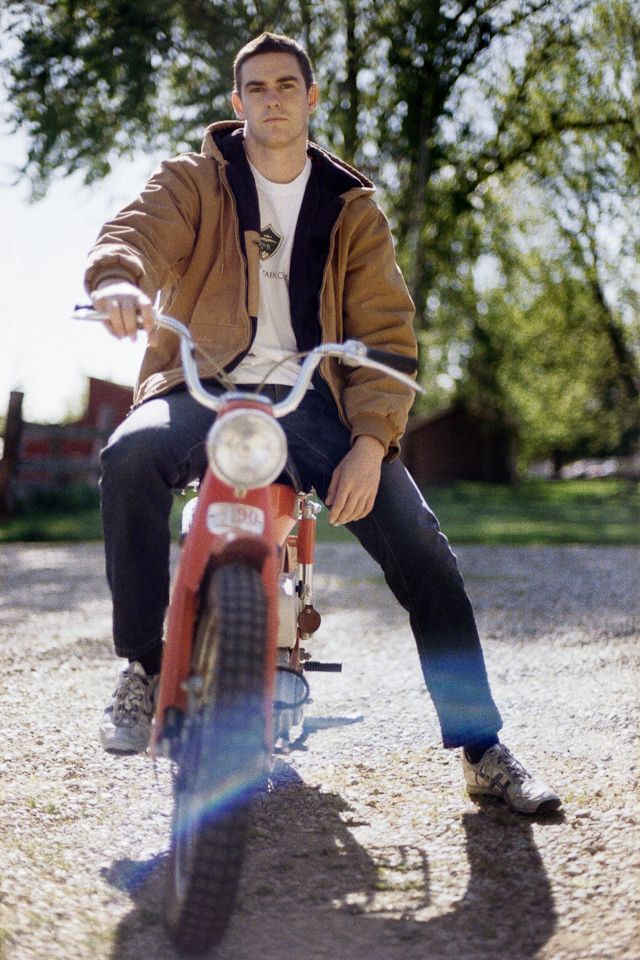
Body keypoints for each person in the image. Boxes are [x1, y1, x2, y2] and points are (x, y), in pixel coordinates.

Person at [86, 32, 560, 815]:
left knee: (423, 547)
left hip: (313, 403)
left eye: (286, 86)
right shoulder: (194, 180)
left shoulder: (352, 209)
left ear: (310, 98)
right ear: (237, 103)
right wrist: (117, 281)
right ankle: (142, 667)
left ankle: (483, 750)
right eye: (256, 88)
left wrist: (371, 443)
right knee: (129, 457)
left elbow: (388, 335)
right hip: (202, 384)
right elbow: (136, 234)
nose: (272, 100)